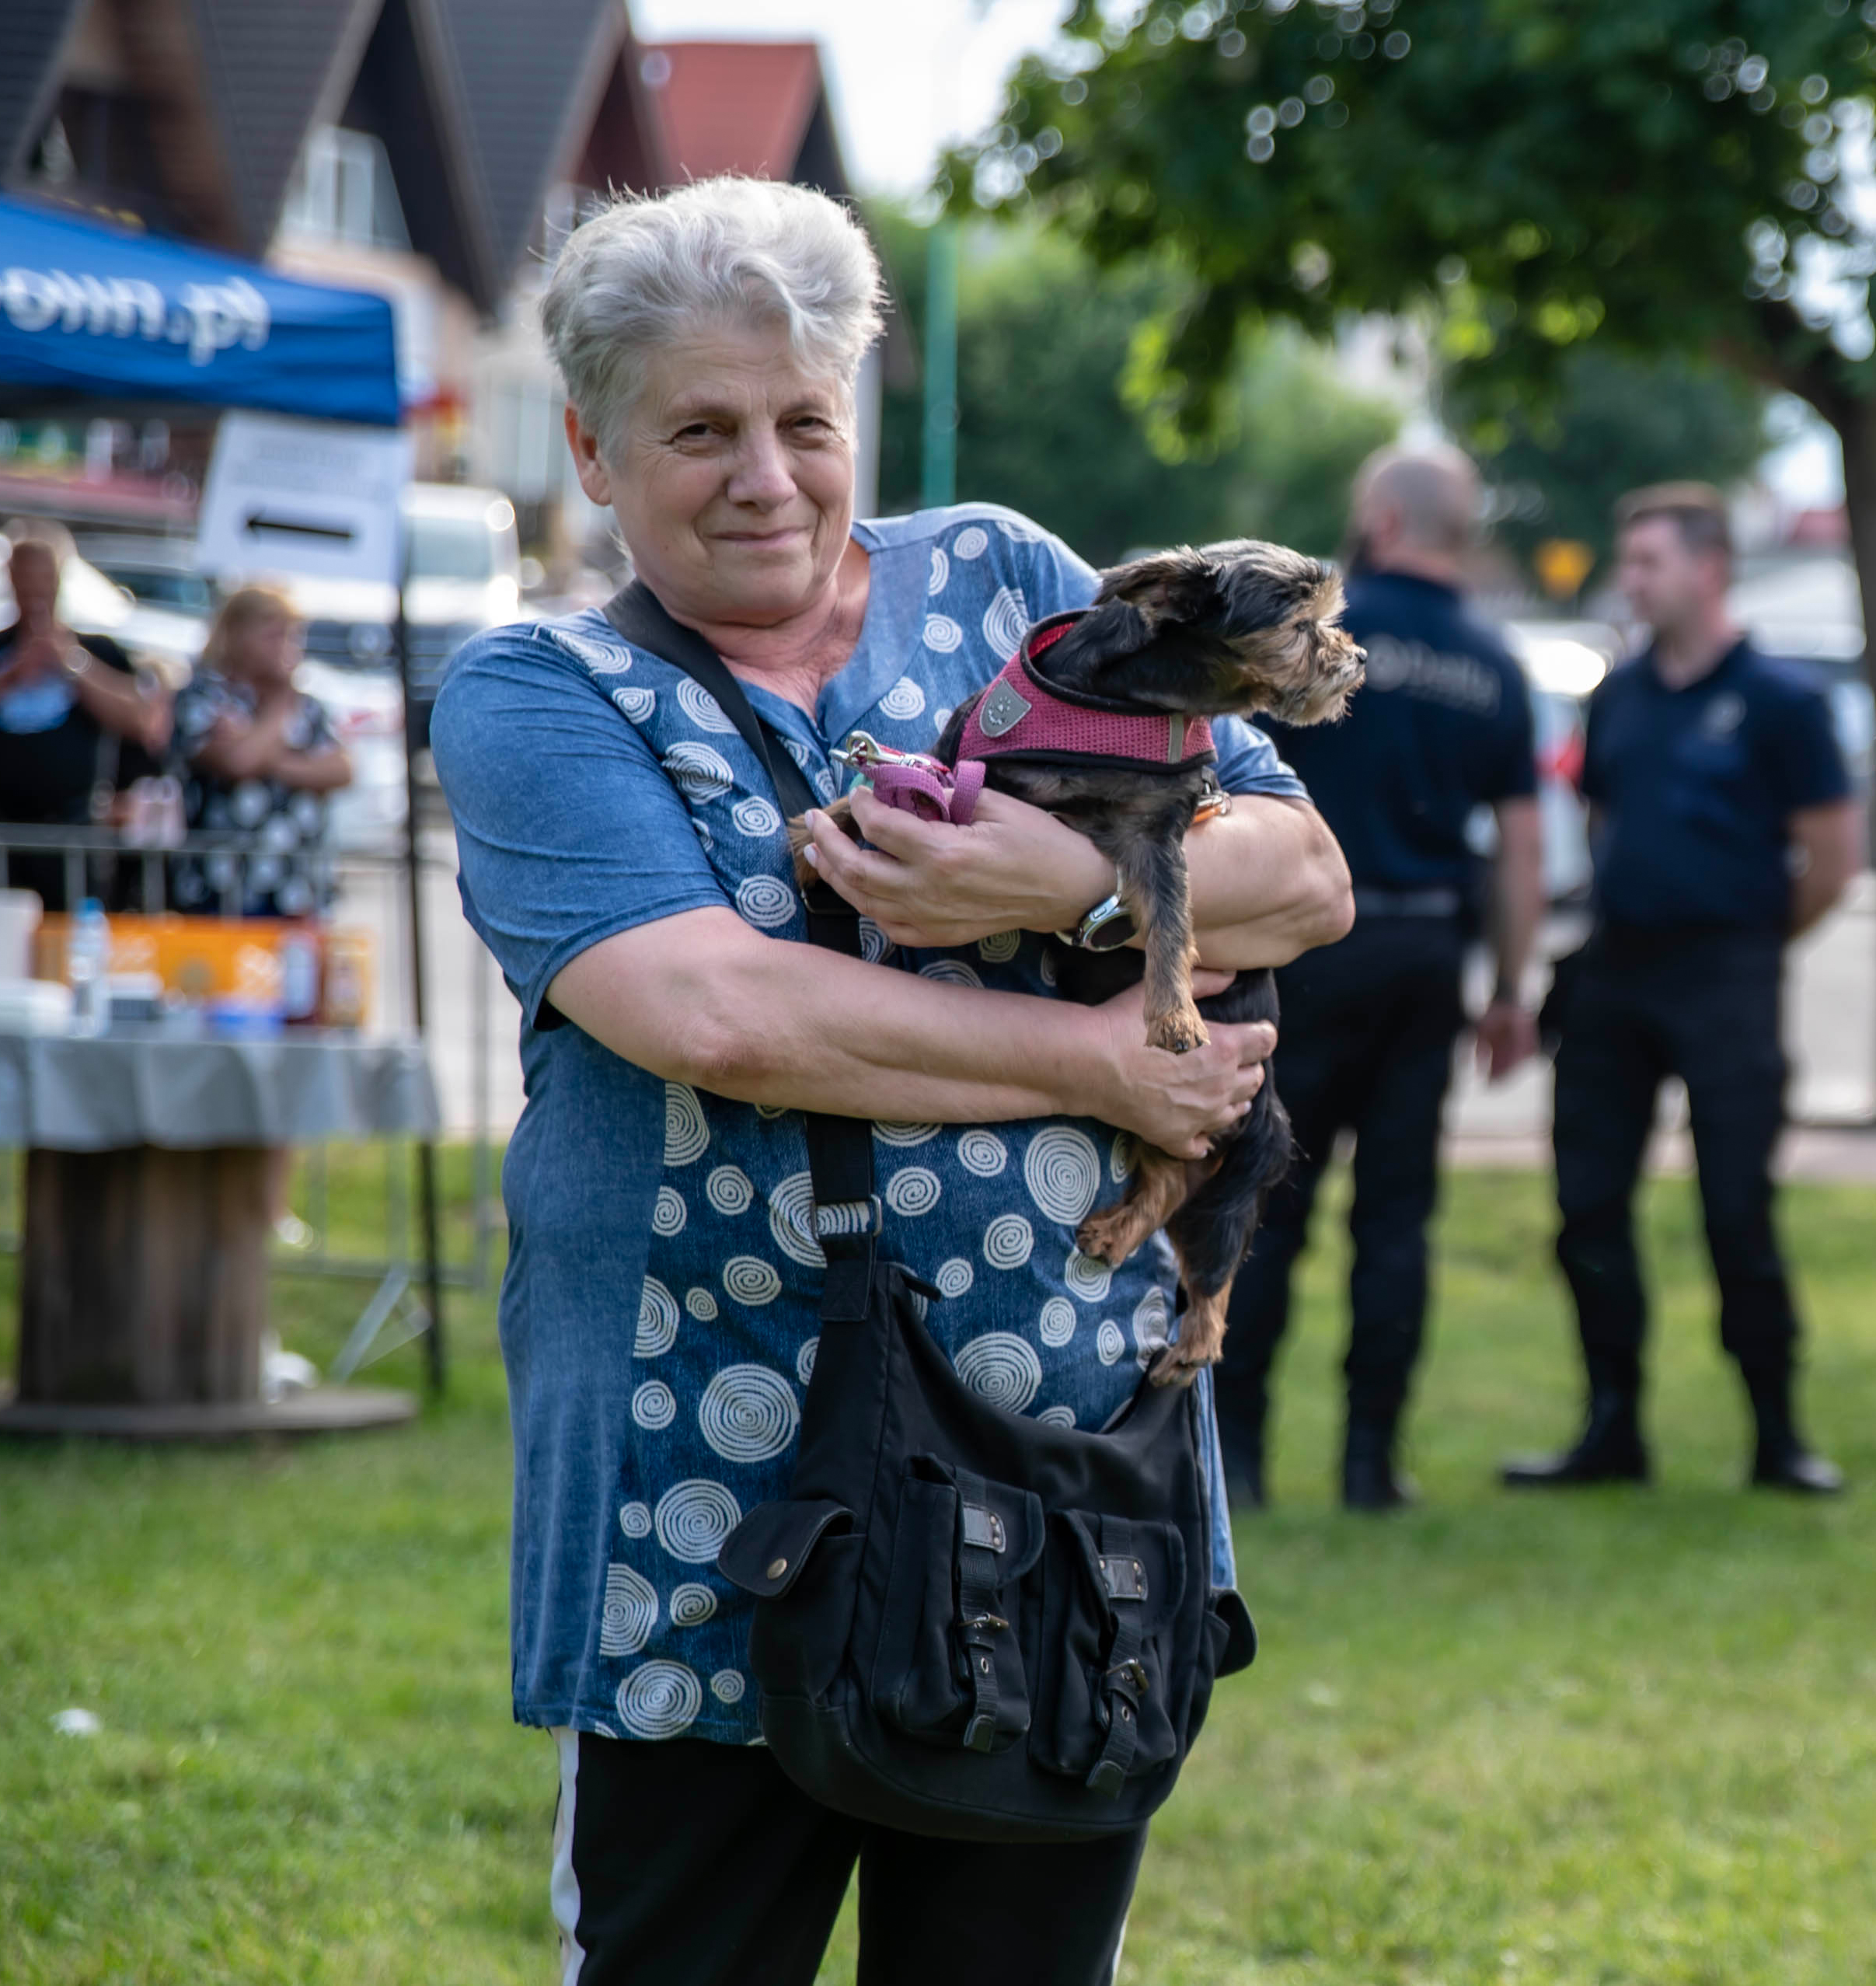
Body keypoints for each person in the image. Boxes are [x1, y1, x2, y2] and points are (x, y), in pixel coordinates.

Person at [430, 180, 1350, 1984]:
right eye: (700, 430)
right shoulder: (538, 693)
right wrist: (1102, 1059)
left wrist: (1063, 881)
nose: (765, 477)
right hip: (705, 1494)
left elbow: (1302, 875)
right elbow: (719, 1014)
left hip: (1059, 1492)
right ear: (592, 452)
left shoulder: (1010, 581)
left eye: (804, 421)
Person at [1504, 483, 1864, 1498]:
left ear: (1711, 569)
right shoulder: (1619, 695)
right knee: (1588, 1207)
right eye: (1630, 560)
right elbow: (1606, 821)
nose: (1632, 579)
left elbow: (1833, 860)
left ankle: (1778, 1437)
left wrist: (1748, 940)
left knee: (1736, 1209)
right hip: (1617, 972)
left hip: (1727, 979)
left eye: (1649, 561)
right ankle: (1611, 1426)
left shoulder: (1783, 702)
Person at [1217, 445, 1544, 1512]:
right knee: (1398, 1219)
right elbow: (1524, 844)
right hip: (1426, 955)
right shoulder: (1494, 663)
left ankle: (1238, 1453)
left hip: (1302, 950)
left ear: (1385, 522)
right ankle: (1371, 1462)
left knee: (1265, 1199)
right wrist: (1511, 990)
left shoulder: (1308, 637)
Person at [0, 519, 171, 910]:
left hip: (73, 839)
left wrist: (72, 664)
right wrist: (9, 674)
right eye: (26, 577)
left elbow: (141, 721)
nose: (35, 590)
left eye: (44, 577)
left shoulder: (99, 651)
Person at [171, 585, 353, 920]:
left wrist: (263, 755)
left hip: (298, 890)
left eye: (293, 635)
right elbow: (236, 763)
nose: (287, 647)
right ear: (237, 635)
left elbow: (341, 770)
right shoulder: (204, 696)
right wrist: (279, 711)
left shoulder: (309, 706)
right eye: (273, 635)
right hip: (225, 890)